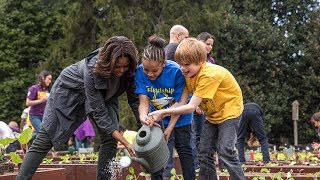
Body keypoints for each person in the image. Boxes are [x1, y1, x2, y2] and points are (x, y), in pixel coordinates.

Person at [16, 36, 140, 180]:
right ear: (109, 63)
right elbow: (99, 113)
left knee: (110, 139)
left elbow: (135, 99)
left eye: (125, 67)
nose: (121, 70)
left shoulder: (130, 69)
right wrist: (125, 142)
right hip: (70, 92)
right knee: (45, 138)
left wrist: (143, 123)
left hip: (106, 95)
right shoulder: (92, 70)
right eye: (117, 66)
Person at [148, 38, 245, 180]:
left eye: (186, 64)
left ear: (201, 61)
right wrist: (162, 116)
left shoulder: (209, 75)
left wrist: (163, 112)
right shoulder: (188, 75)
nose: (182, 68)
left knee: (225, 150)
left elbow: (190, 107)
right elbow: (182, 103)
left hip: (230, 112)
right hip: (213, 114)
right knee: (204, 152)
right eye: (180, 64)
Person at [135, 34, 194, 180]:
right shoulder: (139, 72)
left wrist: (169, 128)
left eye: (154, 70)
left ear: (164, 63)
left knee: (184, 149)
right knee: (155, 154)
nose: (150, 74)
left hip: (180, 117)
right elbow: (143, 102)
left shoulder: (175, 72)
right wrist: (143, 116)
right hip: (157, 118)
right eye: (146, 70)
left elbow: (181, 103)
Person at [192, 32, 216, 170]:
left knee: (207, 136)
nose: (210, 47)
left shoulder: (211, 62)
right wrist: (195, 103)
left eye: (211, 45)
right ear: (199, 42)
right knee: (196, 135)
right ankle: (197, 164)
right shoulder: (193, 61)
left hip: (208, 104)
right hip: (195, 104)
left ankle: (207, 163)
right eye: (207, 44)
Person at [26, 70, 52, 136]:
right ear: (43, 78)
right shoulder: (34, 88)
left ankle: (28, 139)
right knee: (42, 134)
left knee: (45, 134)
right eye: (49, 79)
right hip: (34, 116)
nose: (50, 81)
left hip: (44, 116)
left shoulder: (45, 90)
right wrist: (41, 100)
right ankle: (25, 140)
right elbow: (28, 103)